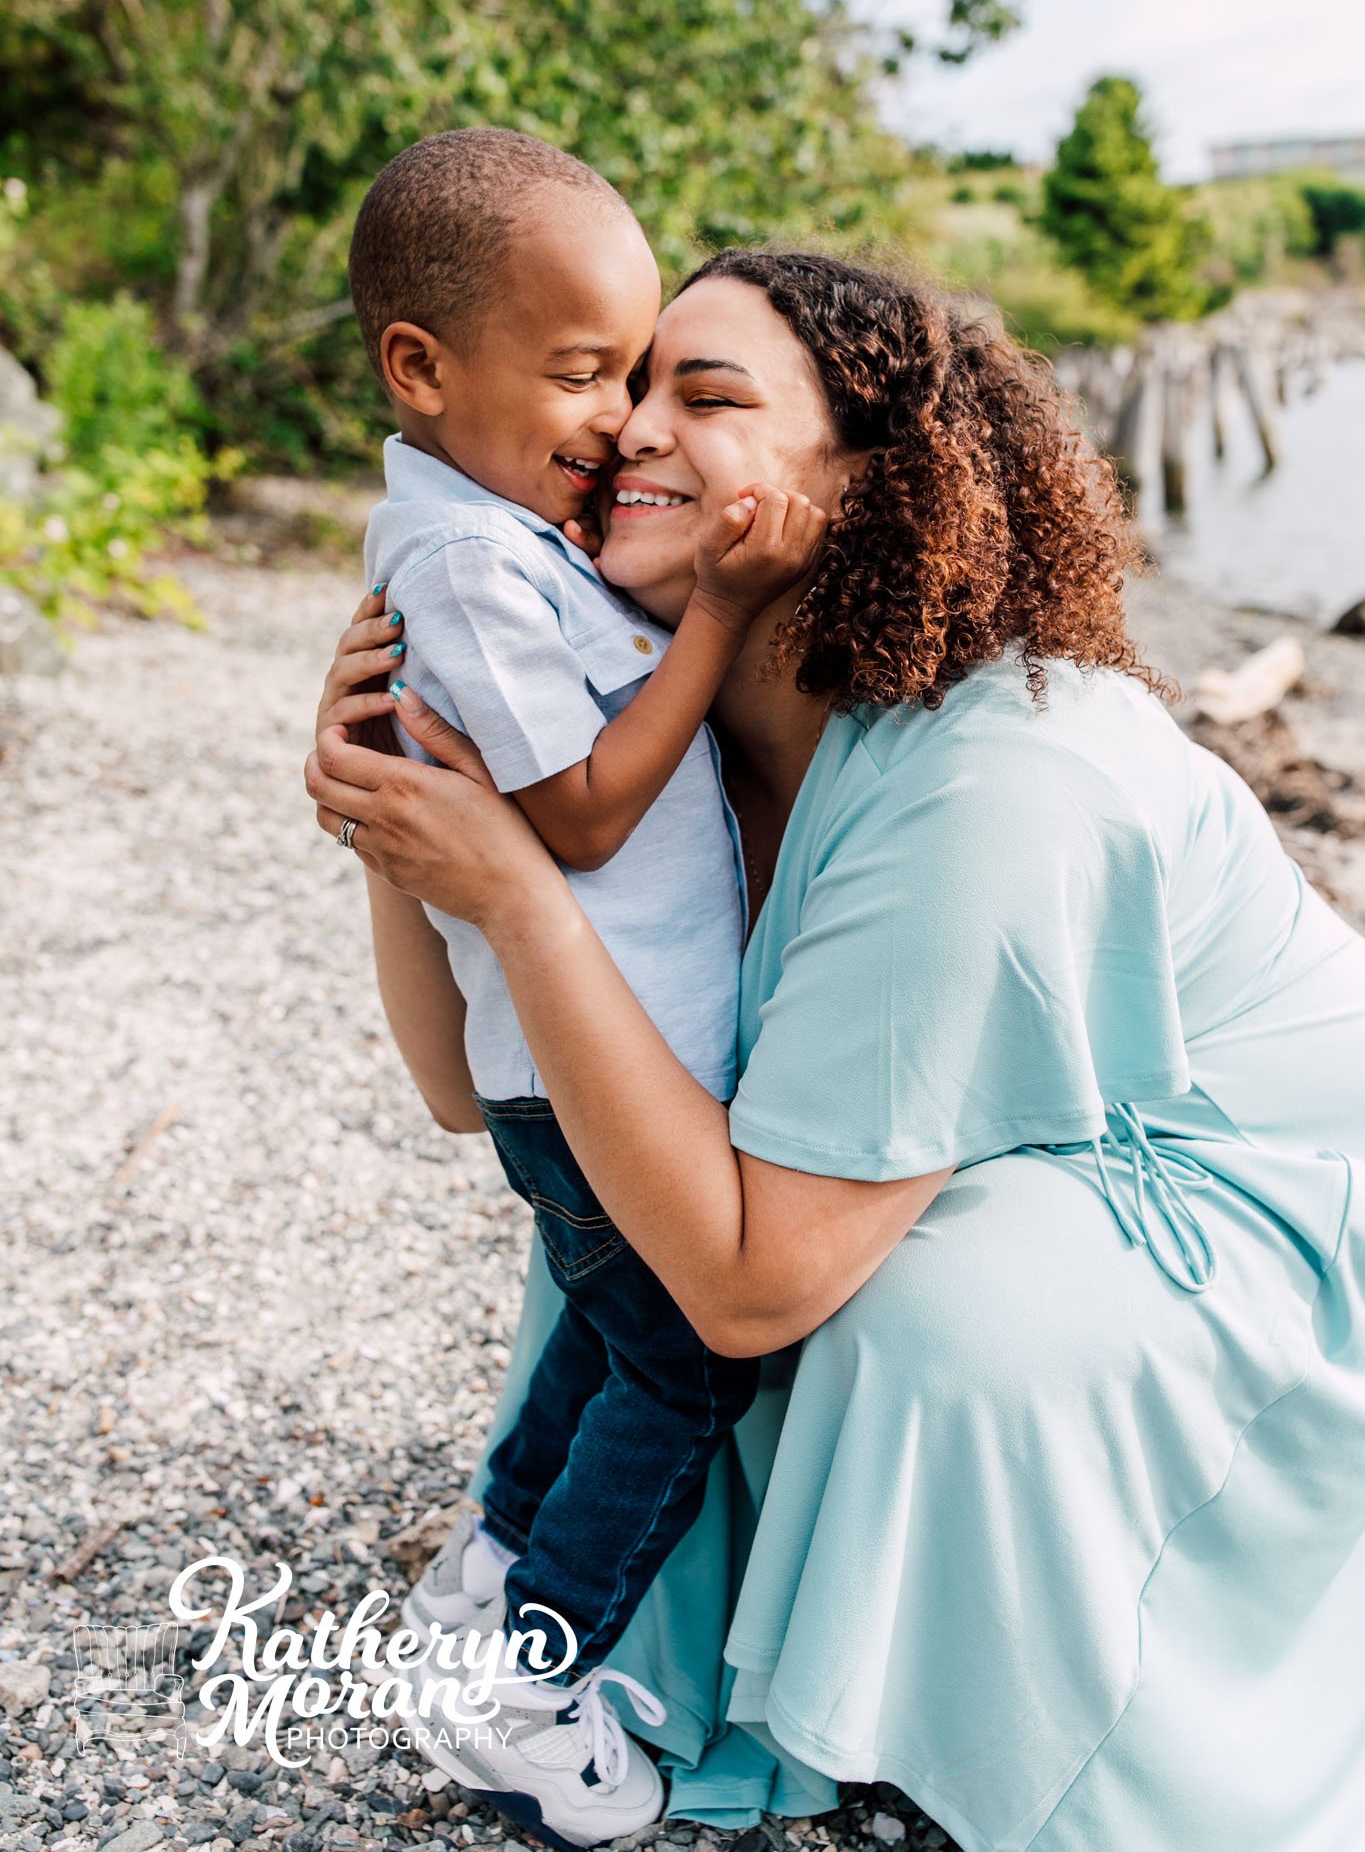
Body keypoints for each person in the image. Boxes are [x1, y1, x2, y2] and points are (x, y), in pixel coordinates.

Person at [309, 249, 1365, 1852]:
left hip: (1263, 1185)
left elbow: (752, 1282)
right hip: (1017, 1132)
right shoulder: (658, 748)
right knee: (616, 1195)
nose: (624, 430)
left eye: (706, 397)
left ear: (870, 484)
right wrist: (407, 822)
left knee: (896, 1310)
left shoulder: (995, 767)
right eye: (617, 387)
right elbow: (474, 1093)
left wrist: (519, 901)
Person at [336, 130, 826, 1846]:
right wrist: (719, 609)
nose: (619, 419)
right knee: (686, 1370)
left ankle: (486, 1566)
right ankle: (533, 1687)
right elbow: (583, 817)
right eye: (582, 373)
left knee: (600, 1335)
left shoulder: (495, 535)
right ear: (421, 366)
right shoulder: (469, 564)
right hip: (579, 1078)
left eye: (636, 370)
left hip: (578, 1074)